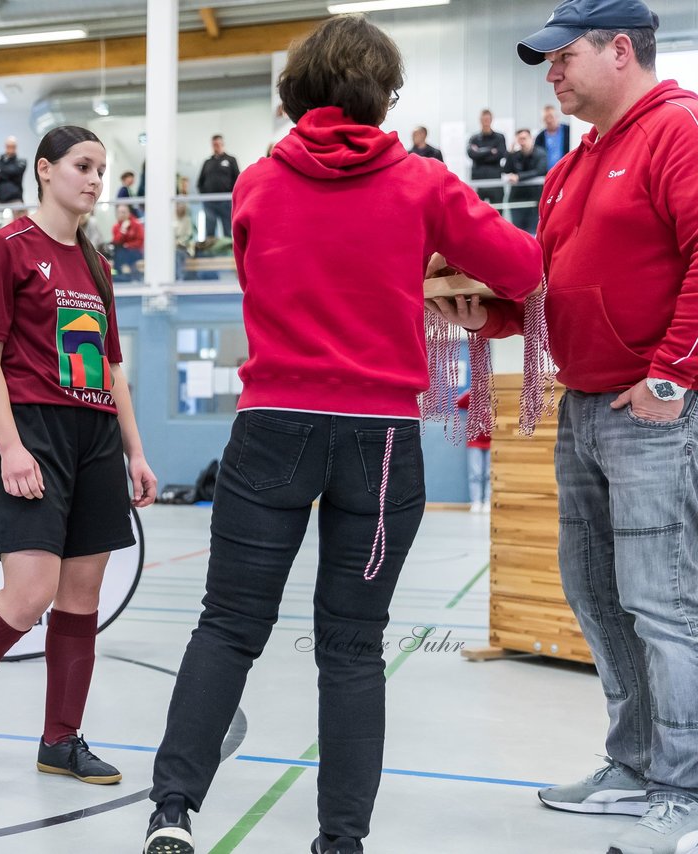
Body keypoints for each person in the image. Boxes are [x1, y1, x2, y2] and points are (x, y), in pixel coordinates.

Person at [143, 16, 541, 854]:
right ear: (380, 95)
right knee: (353, 647)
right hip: (380, 440)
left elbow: (265, 280)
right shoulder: (424, 184)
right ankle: (341, 842)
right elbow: (525, 270)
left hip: (273, 426)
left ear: (298, 92)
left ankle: (171, 814)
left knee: (226, 625)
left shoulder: (255, 183)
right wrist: (438, 281)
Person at [435, 4, 698, 852]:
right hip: (584, 406)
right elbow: (550, 294)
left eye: (563, 55)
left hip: (652, 408)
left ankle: (686, 789)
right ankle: (634, 766)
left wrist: (673, 374)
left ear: (621, 50)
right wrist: (488, 316)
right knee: (596, 594)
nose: (549, 72)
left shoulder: (678, 131)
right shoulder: (570, 168)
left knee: (664, 604)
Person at [0, 124, 156, 790]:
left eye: (102, 169)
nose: (96, 179)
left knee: (82, 597)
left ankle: (62, 739)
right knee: (29, 594)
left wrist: (136, 451)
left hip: (98, 434)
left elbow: (112, 368)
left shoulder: (97, 262)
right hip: (35, 428)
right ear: (46, 170)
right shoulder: (4, 249)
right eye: (83, 165)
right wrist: (11, 446)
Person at [501, 128, 549, 234]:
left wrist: (519, 177)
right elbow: (506, 170)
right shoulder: (515, 155)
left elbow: (540, 170)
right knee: (518, 233)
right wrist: (509, 153)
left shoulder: (540, 154)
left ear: (531, 139)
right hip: (517, 200)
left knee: (533, 232)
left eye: (524, 138)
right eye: (520, 139)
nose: (522, 142)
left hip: (534, 200)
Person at [197, 134, 240, 238]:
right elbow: (200, 182)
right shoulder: (207, 162)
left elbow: (238, 180)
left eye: (218, 144)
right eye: (214, 144)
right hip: (210, 203)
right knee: (210, 229)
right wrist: (205, 196)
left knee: (227, 229)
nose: (216, 146)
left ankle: (229, 252)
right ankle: (209, 252)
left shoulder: (231, 160)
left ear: (222, 144)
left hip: (226, 202)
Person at [455, 391, 491, 512]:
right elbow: (458, 403)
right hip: (474, 441)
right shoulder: (472, 395)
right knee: (475, 473)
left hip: (492, 442)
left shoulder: (496, 395)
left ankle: (488, 501)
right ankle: (476, 501)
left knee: (489, 473)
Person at [468, 109, 507, 204]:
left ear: (491, 120)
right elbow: (471, 154)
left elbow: (500, 155)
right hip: (478, 181)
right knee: (477, 213)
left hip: (495, 181)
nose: (485, 122)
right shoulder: (474, 138)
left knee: (498, 212)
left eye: (487, 119)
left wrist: (479, 153)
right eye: (483, 119)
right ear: (480, 120)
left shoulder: (500, 137)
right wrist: (490, 150)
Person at [0, 135, 27, 207]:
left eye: (13, 146)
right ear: (5, 146)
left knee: (21, 218)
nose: (10, 148)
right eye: (8, 146)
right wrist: (10, 173)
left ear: (16, 147)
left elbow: (16, 171)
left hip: (15, 200)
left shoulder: (21, 162)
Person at [111, 204, 144, 282]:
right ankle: (120, 276)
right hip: (122, 252)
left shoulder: (136, 224)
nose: (121, 215)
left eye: (124, 212)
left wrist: (127, 245)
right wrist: (123, 230)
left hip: (134, 251)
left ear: (129, 213)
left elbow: (140, 241)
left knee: (120, 253)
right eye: (119, 212)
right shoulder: (116, 227)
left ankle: (123, 277)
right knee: (117, 252)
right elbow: (116, 242)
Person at [541, 103, 573, 171]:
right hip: (547, 173)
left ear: (557, 117)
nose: (549, 121)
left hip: (567, 169)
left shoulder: (569, 131)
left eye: (551, 117)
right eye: (546, 118)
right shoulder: (540, 137)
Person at [174, 201, 195, 282]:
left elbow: (189, 236)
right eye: (178, 206)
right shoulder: (172, 219)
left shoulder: (187, 220)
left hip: (184, 247)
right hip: (173, 247)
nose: (180, 208)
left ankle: (180, 277)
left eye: (182, 206)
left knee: (178, 254)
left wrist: (180, 242)